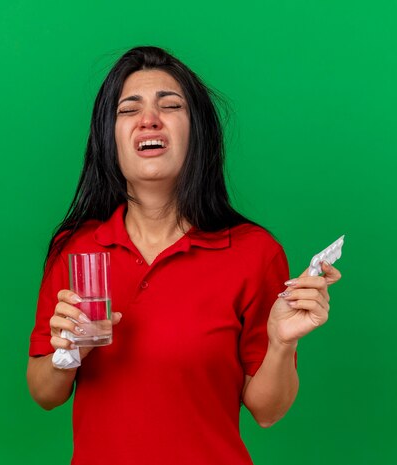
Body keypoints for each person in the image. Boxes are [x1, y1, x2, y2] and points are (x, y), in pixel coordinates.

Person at [27, 46, 341, 465]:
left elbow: (268, 411)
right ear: (109, 138)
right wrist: (69, 353)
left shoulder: (254, 252)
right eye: (128, 109)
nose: (149, 119)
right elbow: (45, 394)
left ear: (198, 133)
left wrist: (281, 344)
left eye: (170, 105)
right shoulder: (76, 248)